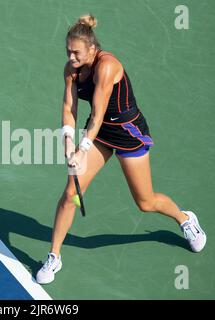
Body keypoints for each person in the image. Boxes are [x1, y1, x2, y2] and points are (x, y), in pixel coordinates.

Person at [36, 14, 206, 285]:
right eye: (68, 51)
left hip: (127, 133)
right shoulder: (72, 70)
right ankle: (54, 256)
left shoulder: (107, 67)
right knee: (71, 192)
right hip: (101, 134)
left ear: (92, 49)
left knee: (145, 202)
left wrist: (82, 150)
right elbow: (69, 108)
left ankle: (184, 218)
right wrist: (68, 141)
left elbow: (98, 114)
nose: (70, 56)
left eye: (76, 52)